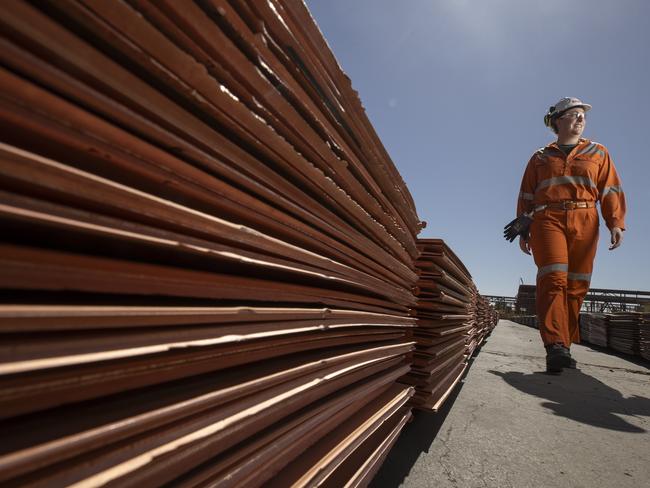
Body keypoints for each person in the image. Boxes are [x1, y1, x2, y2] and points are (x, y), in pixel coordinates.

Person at [515, 97, 626, 374]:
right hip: (547, 218)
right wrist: (523, 227)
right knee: (553, 277)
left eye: (582, 116)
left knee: (576, 286)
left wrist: (615, 222)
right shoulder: (540, 156)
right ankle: (555, 347)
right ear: (558, 120)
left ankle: (564, 344)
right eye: (574, 115)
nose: (580, 119)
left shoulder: (598, 152)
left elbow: (610, 188)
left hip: (586, 219)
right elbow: (527, 194)